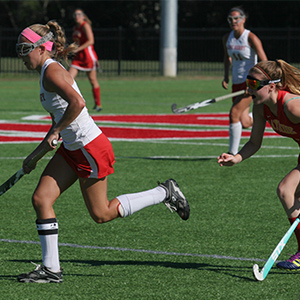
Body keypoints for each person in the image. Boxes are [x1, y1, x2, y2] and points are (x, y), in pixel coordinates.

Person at [14, 21, 190, 283]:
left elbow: (78, 103)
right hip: (72, 149)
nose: (21, 54)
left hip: (89, 148)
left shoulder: (52, 72)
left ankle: (165, 192)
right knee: (41, 199)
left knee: (102, 213)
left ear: (42, 48)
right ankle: (51, 269)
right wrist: (35, 155)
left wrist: (56, 132)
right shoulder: (46, 72)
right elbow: (58, 121)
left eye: (25, 48)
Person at [218, 59, 300, 270]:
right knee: (289, 194)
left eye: (254, 84)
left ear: (272, 86)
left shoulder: (292, 106)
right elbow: (255, 142)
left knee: (285, 190)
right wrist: (235, 158)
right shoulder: (262, 107)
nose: (248, 89)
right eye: (248, 82)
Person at [222, 6, 267, 155]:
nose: (233, 21)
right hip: (236, 83)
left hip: (250, 83)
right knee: (245, 122)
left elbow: (264, 60)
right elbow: (227, 58)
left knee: (234, 113)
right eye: (230, 19)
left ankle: (232, 153)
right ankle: (267, 114)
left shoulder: (250, 37)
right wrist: (226, 77)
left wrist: (256, 82)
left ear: (243, 19)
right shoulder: (227, 38)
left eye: (236, 18)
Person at [69, 8, 102, 112]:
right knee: (68, 78)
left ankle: (98, 104)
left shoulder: (85, 25)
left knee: (92, 80)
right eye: (75, 14)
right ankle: (71, 102)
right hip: (78, 57)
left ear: (83, 16)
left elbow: (91, 41)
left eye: (79, 14)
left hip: (88, 56)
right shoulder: (75, 27)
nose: (76, 16)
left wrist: (78, 49)